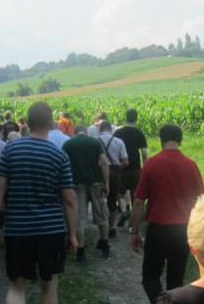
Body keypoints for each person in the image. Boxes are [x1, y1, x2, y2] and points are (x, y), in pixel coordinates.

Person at [0, 102, 80, 304]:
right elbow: (69, 199)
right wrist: (73, 234)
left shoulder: (11, 150)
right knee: (49, 284)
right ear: (51, 123)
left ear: (27, 122)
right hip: (51, 230)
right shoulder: (58, 155)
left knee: (17, 284)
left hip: (18, 229)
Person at [129, 123, 204, 304]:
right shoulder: (190, 165)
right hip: (183, 229)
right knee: (176, 280)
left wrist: (134, 231)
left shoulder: (152, 164)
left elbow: (139, 201)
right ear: (180, 140)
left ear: (161, 140)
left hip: (158, 229)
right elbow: (201, 199)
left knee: (150, 276)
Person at [62, 126, 112, 260]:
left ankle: (81, 250)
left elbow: (63, 163)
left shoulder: (68, 144)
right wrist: (106, 183)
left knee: (79, 217)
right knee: (101, 214)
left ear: (75, 132)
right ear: (86, 132)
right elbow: (104, 163)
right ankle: (105, 244)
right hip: (96, 182)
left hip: (76, 184)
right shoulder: (95, 142)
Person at [112, 108, 149, 227]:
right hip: (135, 167)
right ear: (136, 118)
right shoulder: (139, 133)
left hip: (122, 166)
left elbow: (113, 149)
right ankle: (134, 220)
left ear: (125, 117)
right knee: (136, 193)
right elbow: (144, 153)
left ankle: (124, 211)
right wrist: (145, 168)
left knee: (120, 192)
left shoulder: (118, 132)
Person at [97, 119, 128, 237]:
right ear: (111, 129)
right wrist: (117, 168)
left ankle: (102, 228)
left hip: (99, 173)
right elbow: (125, 162)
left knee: (100, 201)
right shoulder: (119, 141)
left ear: (100, 129)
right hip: (115, 172)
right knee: (113, 200)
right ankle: (112, 227)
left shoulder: (95, 141)